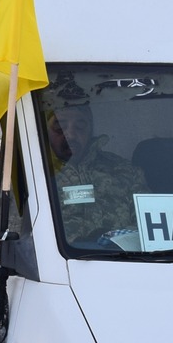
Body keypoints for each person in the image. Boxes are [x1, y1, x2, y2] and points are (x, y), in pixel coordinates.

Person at [43, 99, 148, 245]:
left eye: (80, 126)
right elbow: (21, 240)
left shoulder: (125, 171)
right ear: (46, 131)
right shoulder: (36, 175)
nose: (70, 135)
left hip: (121, 264)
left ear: (90, 130)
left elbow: (147, 230)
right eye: (60, 126)